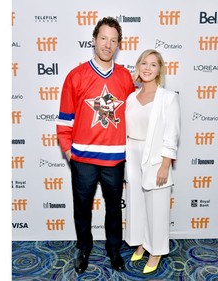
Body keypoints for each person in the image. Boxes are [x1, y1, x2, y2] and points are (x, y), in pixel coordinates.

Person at [56, 16, 136, 274]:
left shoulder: (125, 77)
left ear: (118, 45)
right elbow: (65, 118)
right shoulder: (76, 76)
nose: (108, 44)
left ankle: (114, 249)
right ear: (94, 40)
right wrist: (68, 149)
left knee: (114, 208)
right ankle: (84, 248)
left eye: (113, 40)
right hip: (83, 158)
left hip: (114, 158)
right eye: (103, 38)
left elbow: (136, 115)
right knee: (82, 207)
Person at [124, 49, 181, 274]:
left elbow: (172, 134)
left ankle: (155, 251)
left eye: (153, 64)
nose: (147, 68)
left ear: (160, 70)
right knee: (137, 203)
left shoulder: (168, 98)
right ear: (138, 67)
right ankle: (140, 242)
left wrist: (165, 165)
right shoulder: (131, 97)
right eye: (144, 63)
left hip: (156, 157)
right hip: (133, 154)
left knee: (156, 207)